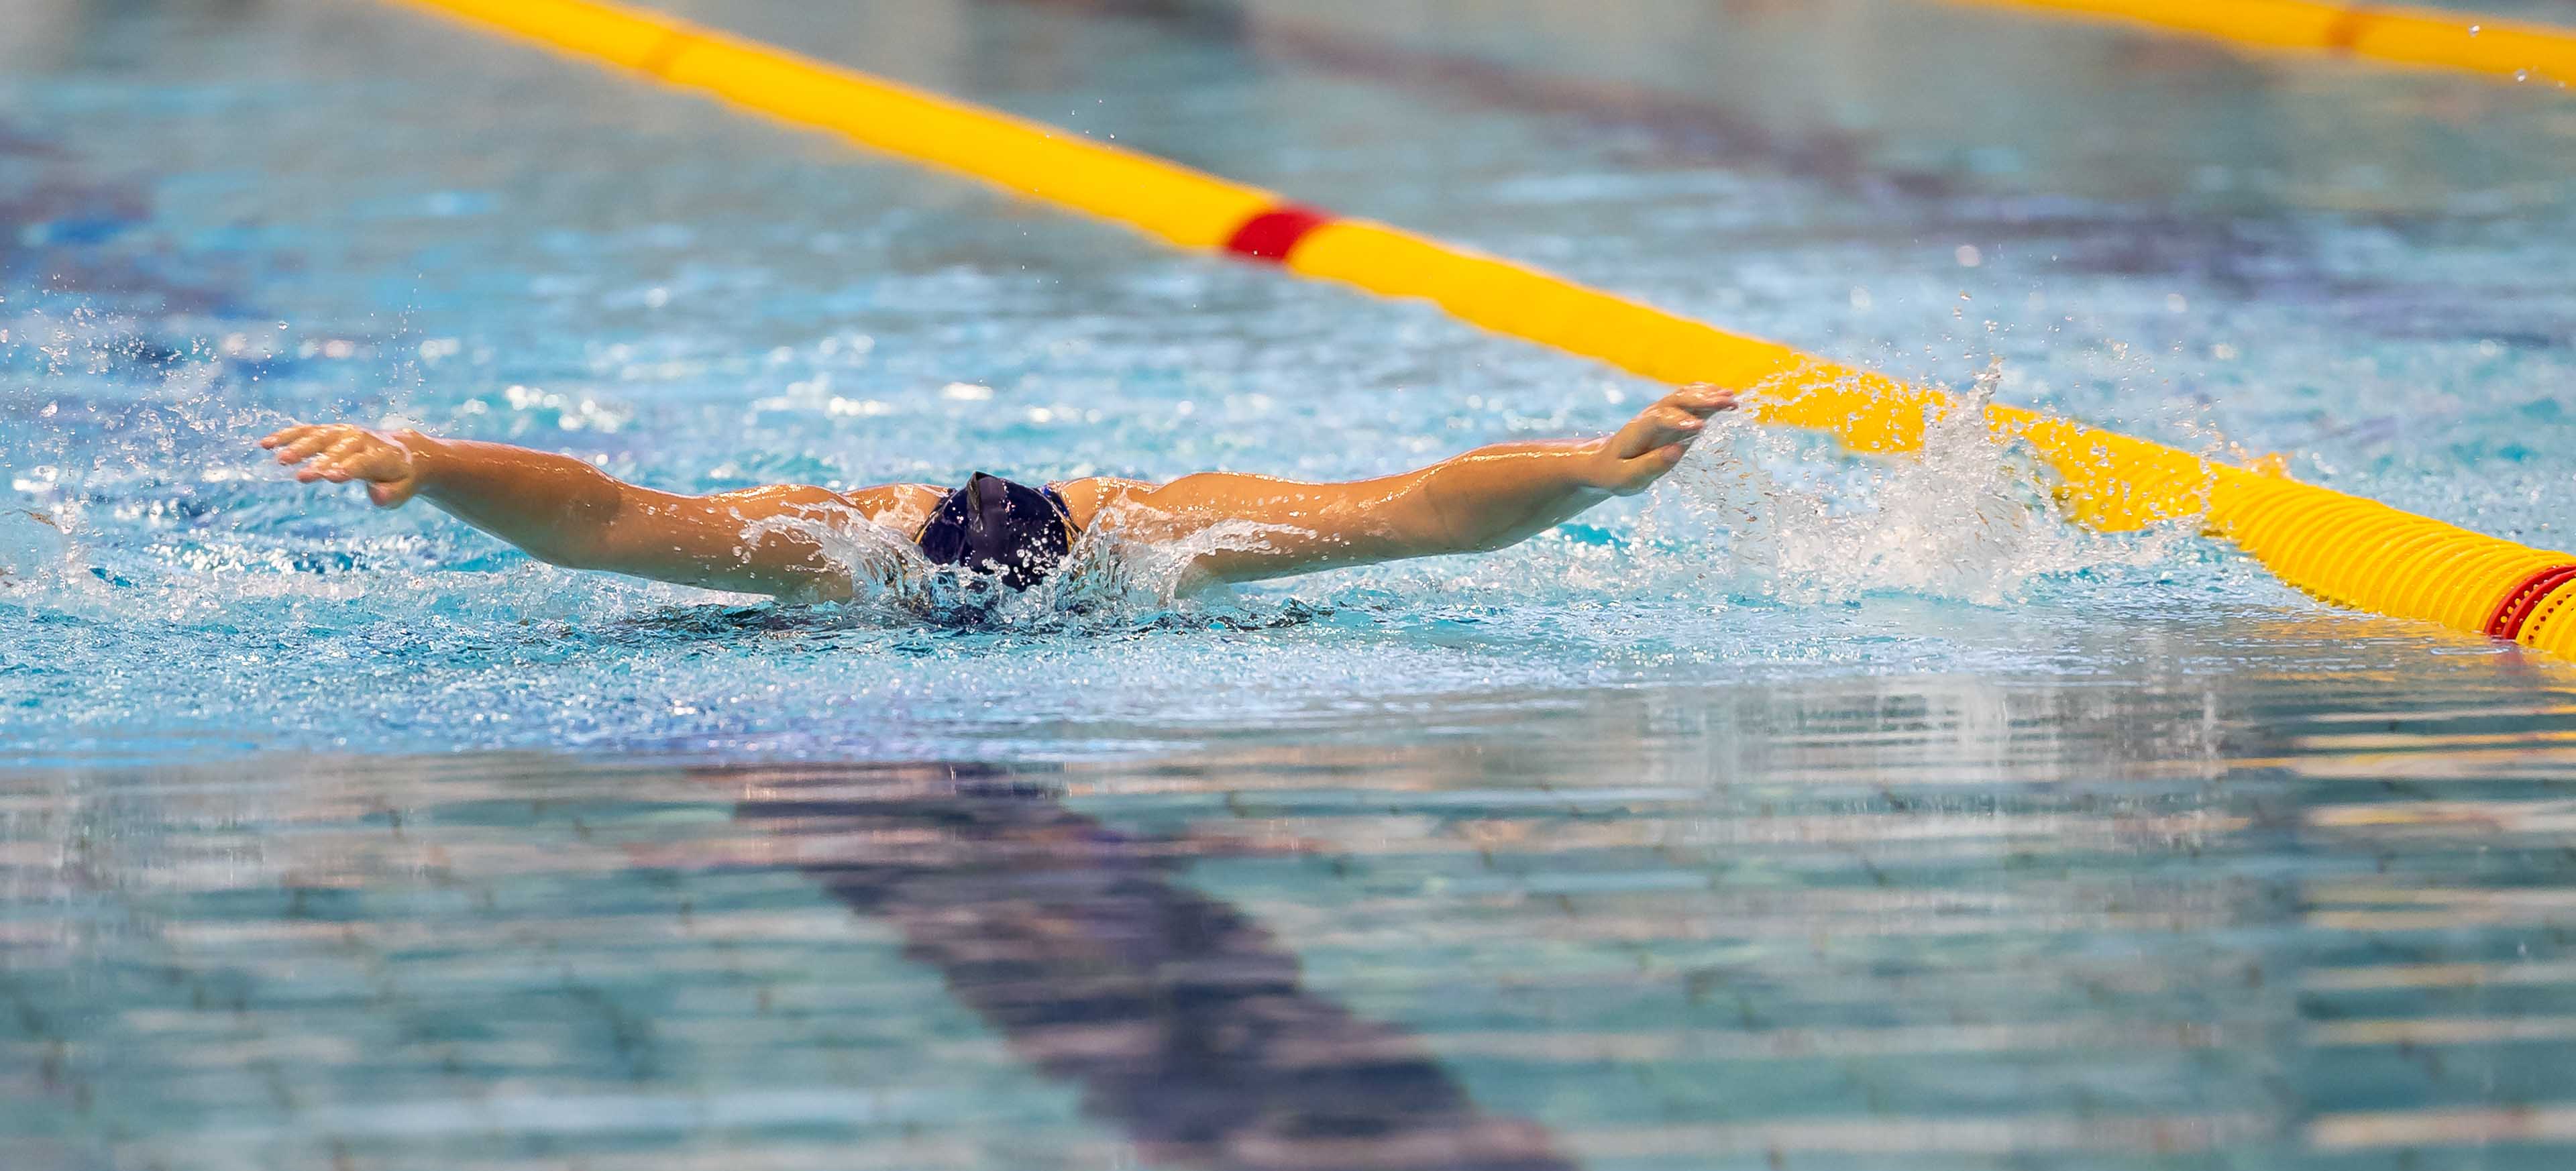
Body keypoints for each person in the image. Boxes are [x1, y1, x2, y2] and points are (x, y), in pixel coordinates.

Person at [257, 384, 1737, 600]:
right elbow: (599, 517)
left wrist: (1593, 472)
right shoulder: (835, 545)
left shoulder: (1163, 535)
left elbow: (1424, 503)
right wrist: (433, 461)